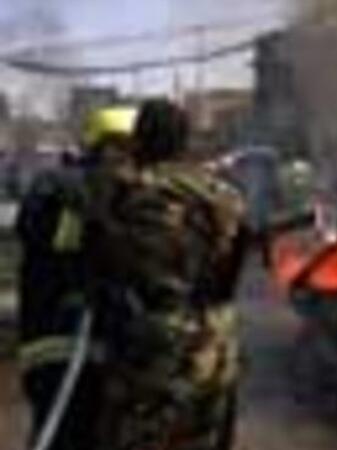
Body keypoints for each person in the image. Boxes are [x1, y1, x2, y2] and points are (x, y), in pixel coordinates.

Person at [86, 99, 246, 450]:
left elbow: (107, 259)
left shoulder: (129, 190)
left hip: (156, 343)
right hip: (216, 341)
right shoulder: (224, 194)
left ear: (140, 140)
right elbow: (231, 266)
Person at [16, 105, 138, 450]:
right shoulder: (57, 189)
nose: (126, 158)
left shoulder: (130, 195)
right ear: (97, 148)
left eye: (132, 148)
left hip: (106, 350)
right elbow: (55, 242)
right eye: (118, 147)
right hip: (58, 343)